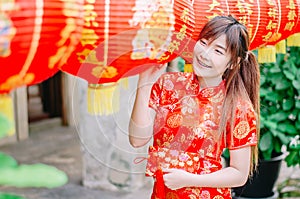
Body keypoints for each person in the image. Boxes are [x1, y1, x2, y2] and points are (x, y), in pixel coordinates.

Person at [129, 15, 260, 199]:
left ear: (233, 62)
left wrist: (189, 179)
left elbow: (239, 174)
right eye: (204, 42)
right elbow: (137, 140)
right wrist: (143, 84)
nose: (205, 54)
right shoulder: (169, 84)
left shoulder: (238, 106)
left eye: (218, 51)